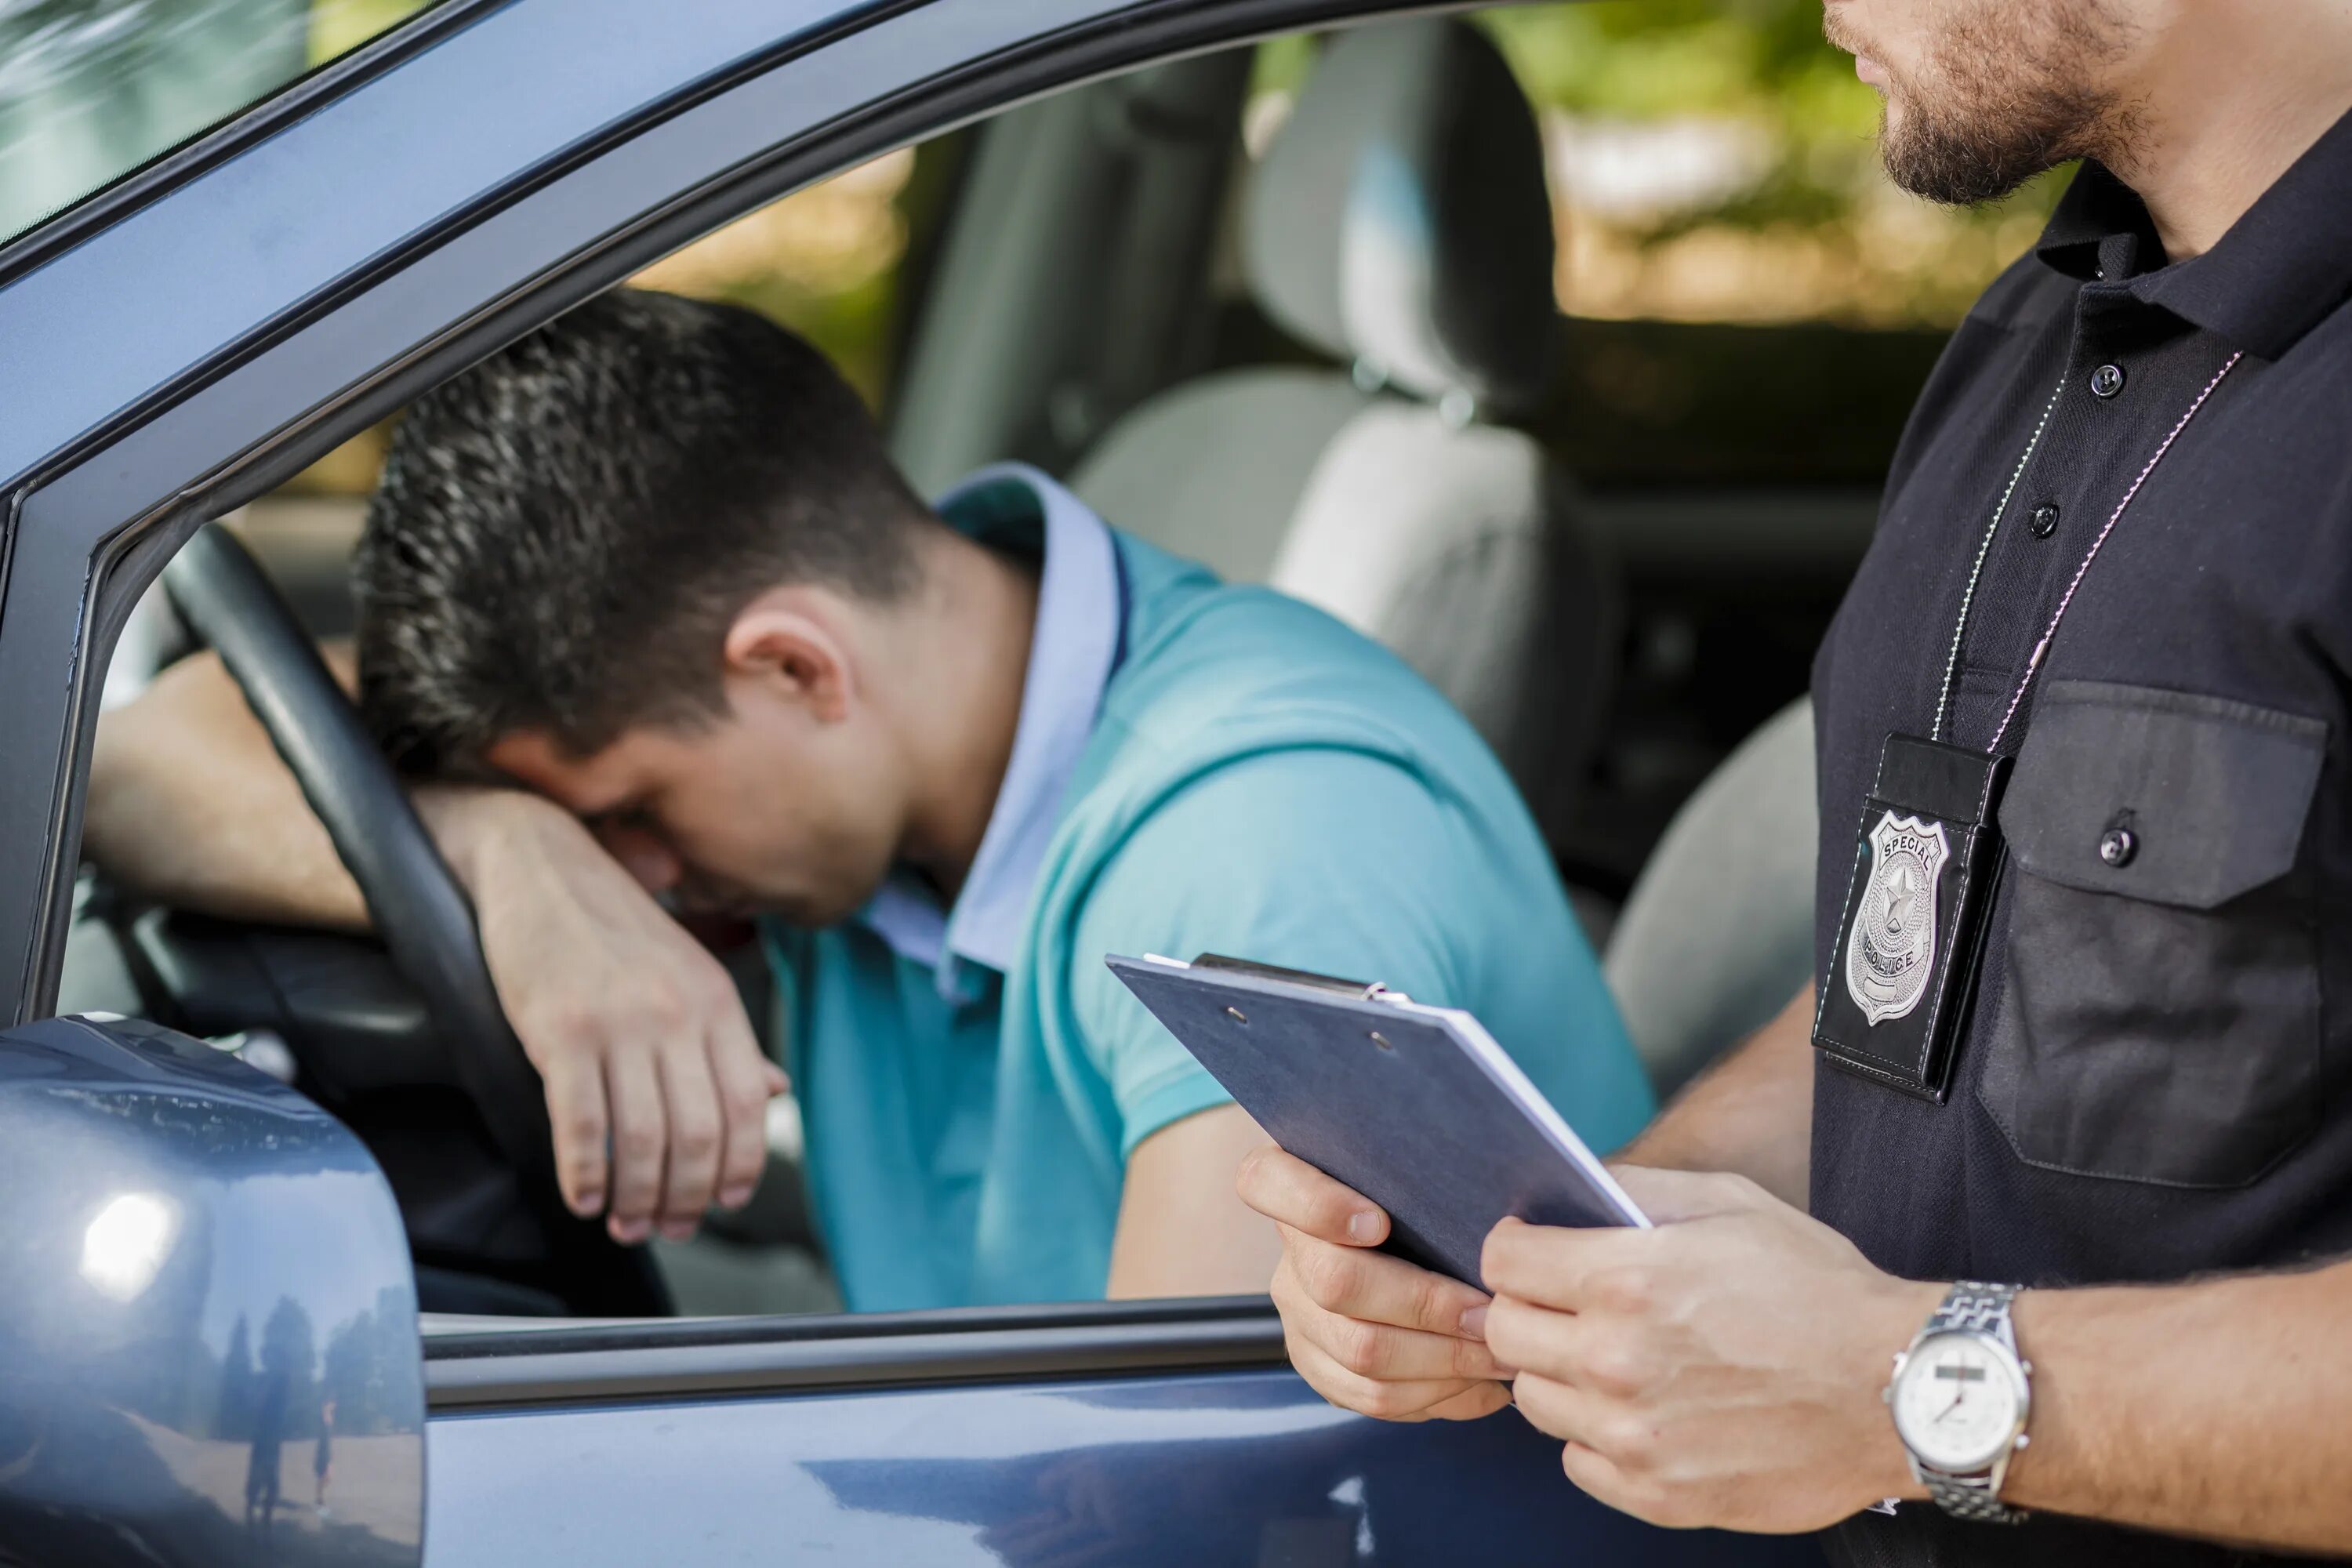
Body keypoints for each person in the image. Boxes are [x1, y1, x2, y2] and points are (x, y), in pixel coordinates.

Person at [1240, 0, 2352, 1563]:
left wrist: (1905, 1384)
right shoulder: (2037, 333)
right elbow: (1931, 984)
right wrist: (1577, 1244)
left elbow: (1878, 1376)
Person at [87, 289, 1653, 1312]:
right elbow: (139, 764)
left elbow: (1187, 1495)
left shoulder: (1257, 851)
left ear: (795, 667)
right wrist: (511, 857)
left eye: (630, 811)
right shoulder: (883, 747)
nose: (630, 876)